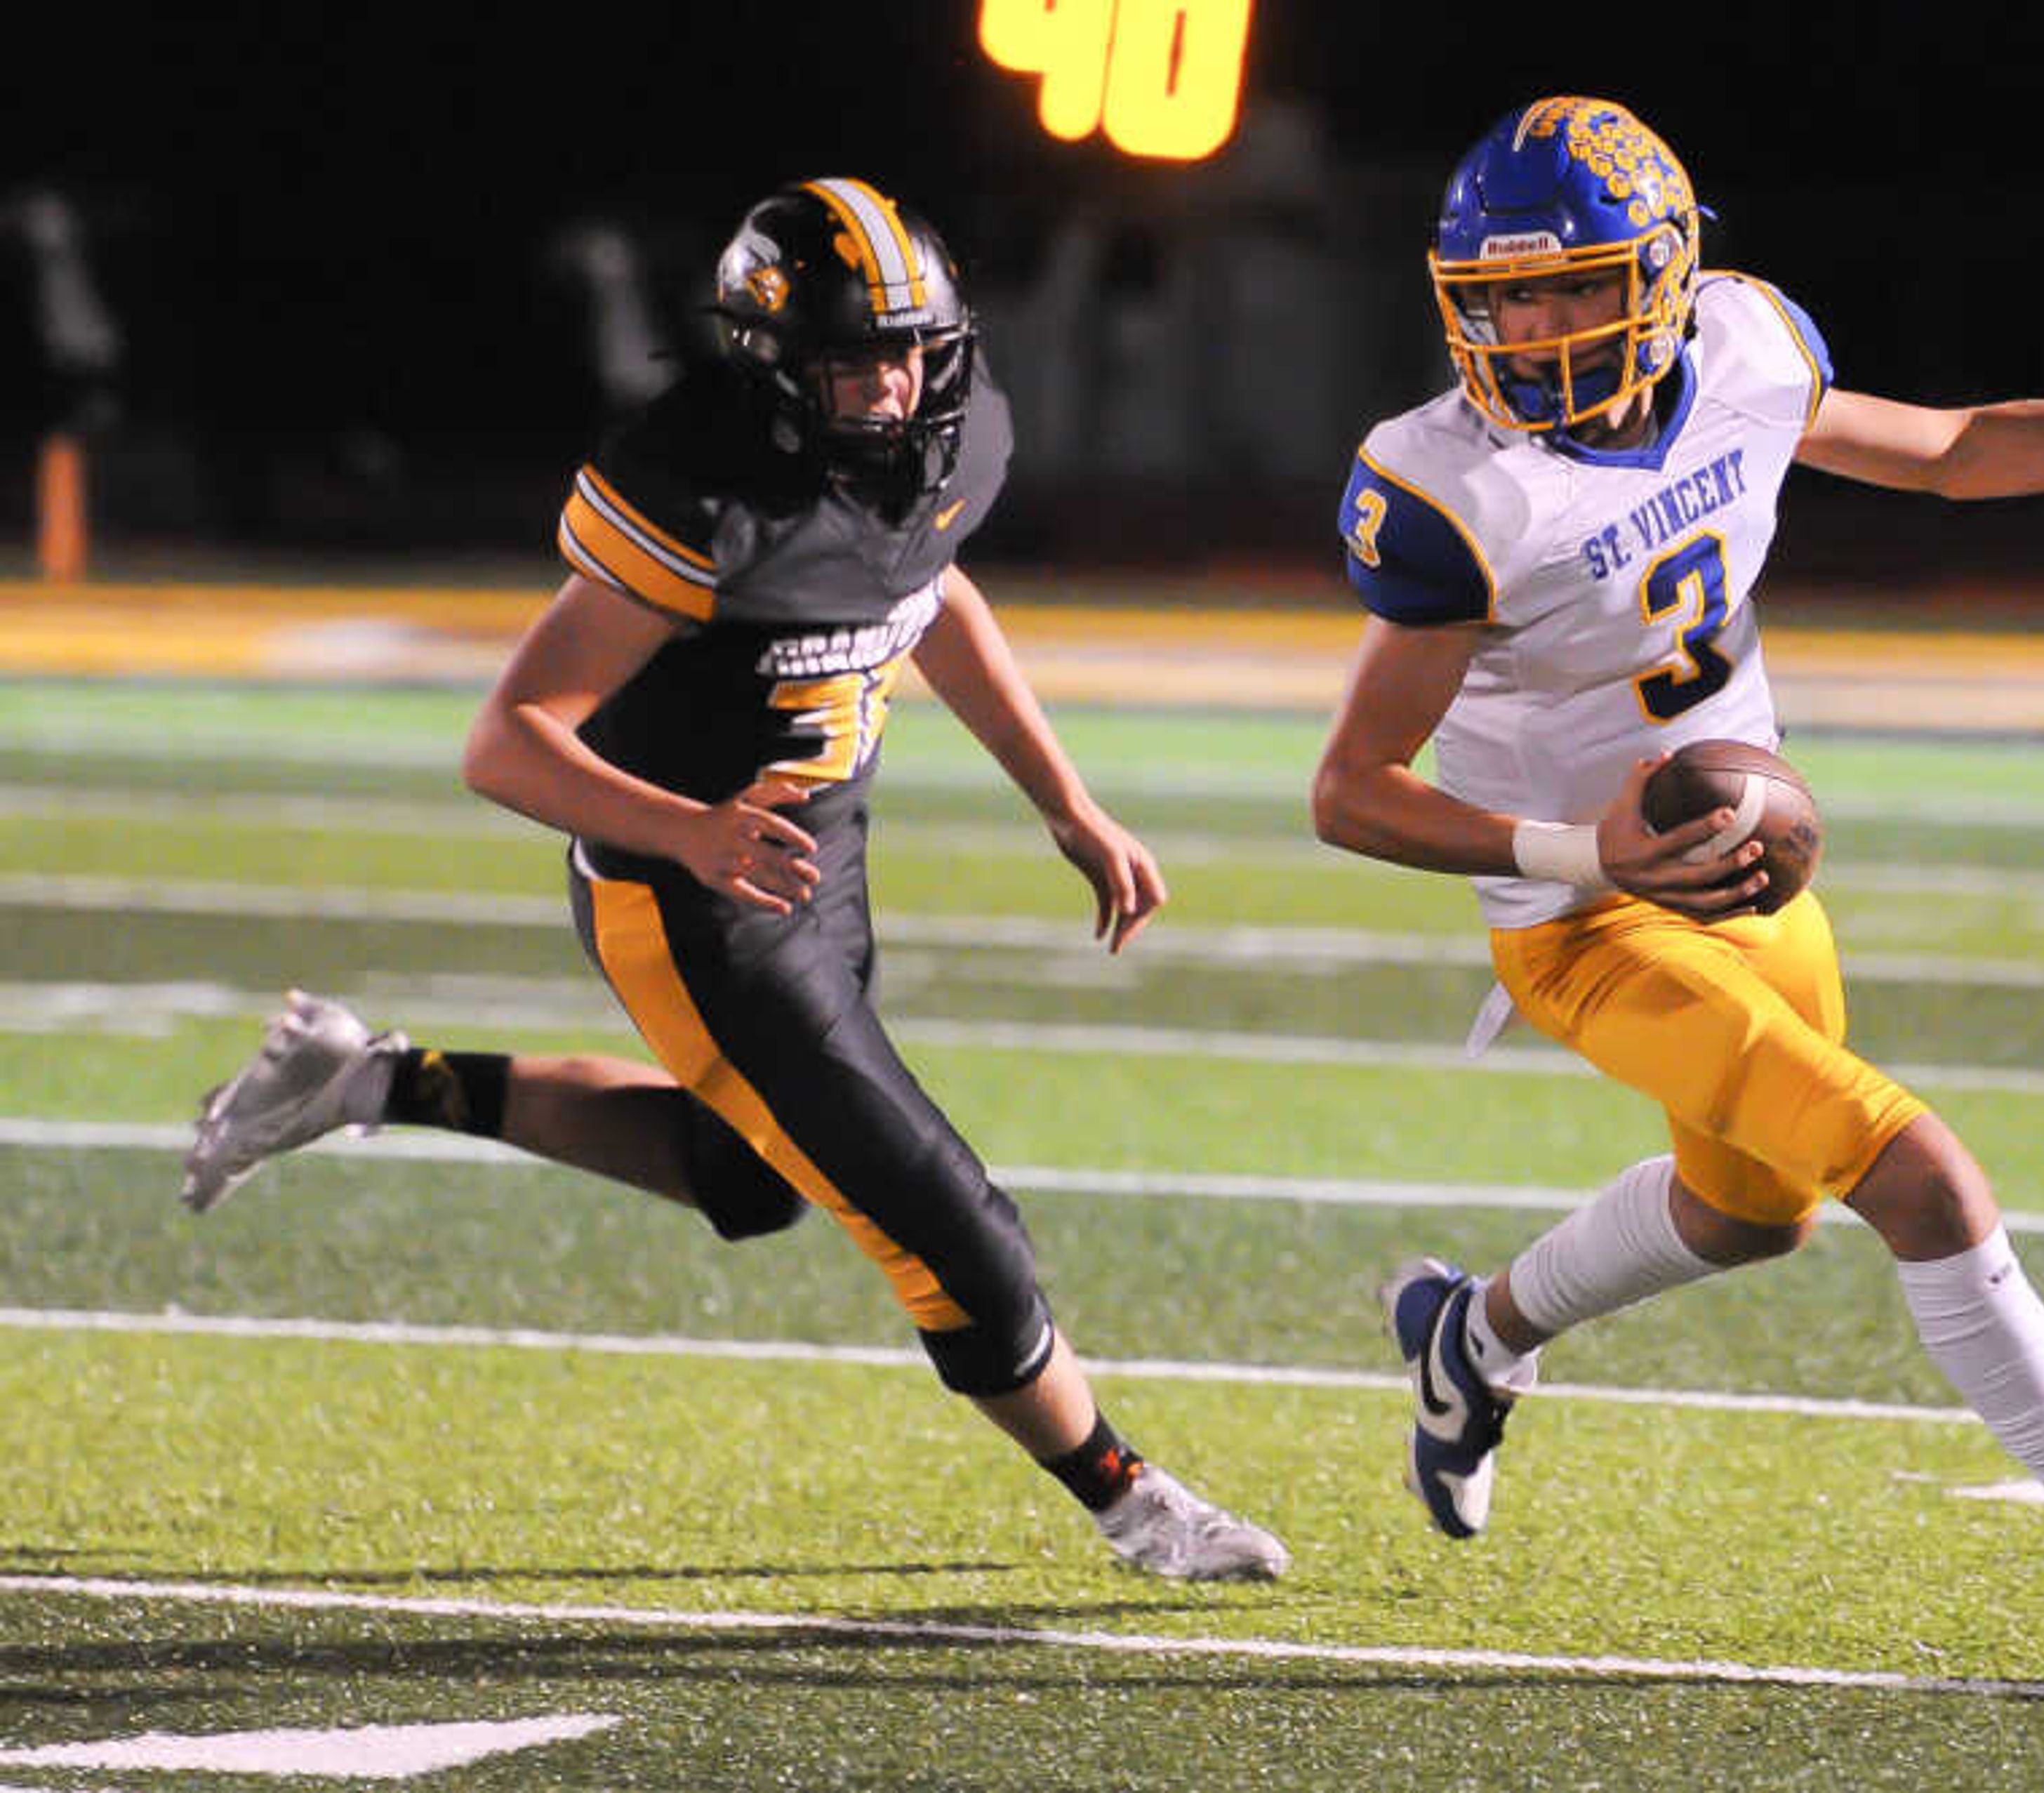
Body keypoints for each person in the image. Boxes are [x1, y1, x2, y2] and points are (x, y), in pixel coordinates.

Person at [1310, 98, 2044, 1678]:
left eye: (1569, 286)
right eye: (1501, 295)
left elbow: (1945, 450)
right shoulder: (1452, 490)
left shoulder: (1743, 346)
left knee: (1753, 1214)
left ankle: (1479, 1332)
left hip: (1741, 871)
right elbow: (1351, 790)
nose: (1528, 329)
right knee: (1919, 1173)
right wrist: (1584, 853)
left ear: (1660, 276)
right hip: (1586, 919)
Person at [181, 176, 1287, 1584]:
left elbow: (931, 589)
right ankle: (1133, 1500)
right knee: (942, 1216)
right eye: (851, 360)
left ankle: (365, 1078)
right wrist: (692, 831)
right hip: (690, 893)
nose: (893, 386)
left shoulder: (944, 432)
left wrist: (1064, 798)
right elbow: (506, 742)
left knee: (748, 1175)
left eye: (911, 351)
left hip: (819, 849)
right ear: (769, 364)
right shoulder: (700, 490)